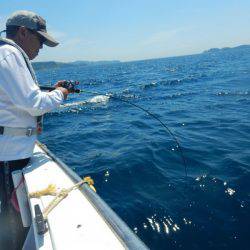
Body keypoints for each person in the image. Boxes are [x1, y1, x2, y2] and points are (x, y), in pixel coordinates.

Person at [0, 10, 72, 249]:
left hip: (12, 152)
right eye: (40, 39)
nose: (42, 47)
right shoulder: (9, 54)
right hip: (10, 157)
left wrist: (52, 91)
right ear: (22, 32)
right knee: (13, 223)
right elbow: (33, 103)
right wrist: (60, 94)